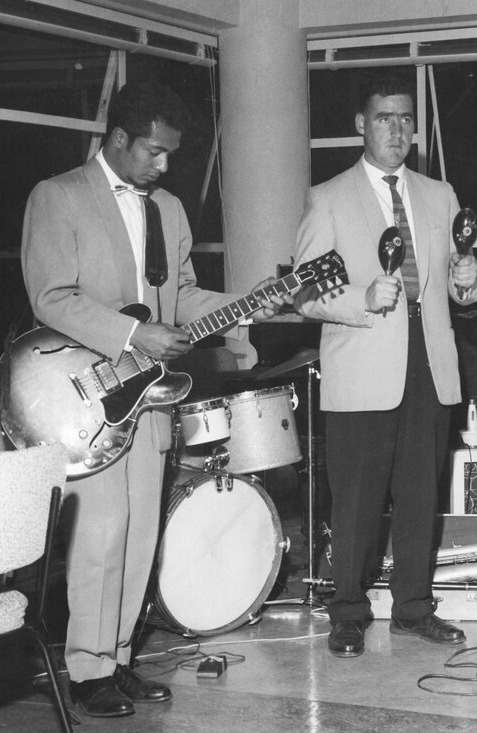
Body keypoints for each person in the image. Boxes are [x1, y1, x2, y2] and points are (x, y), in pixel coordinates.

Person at [20, 81, 289, 717]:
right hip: (86, 396)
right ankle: (86, 671)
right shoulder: (58, 197)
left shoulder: (167, 210)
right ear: (117, 139)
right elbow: (50, 298)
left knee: (142, 533)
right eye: (155, 152)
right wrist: (136, 332)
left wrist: (246, 303)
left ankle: (116, 659)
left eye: (170, 154)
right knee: (102, 534)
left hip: (152, 399)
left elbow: (184, 298)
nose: (165, 165)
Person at [293, 77, 477, 658]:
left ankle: (413, 608)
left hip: (430, 364)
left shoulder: (439, 193)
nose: (397, 130)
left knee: (420, 493)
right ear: (360, 124)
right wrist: (359, 299)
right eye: (384, 119)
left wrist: (468, 279)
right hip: (362, 368)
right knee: (355, 498)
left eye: (405, 119)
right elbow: (303, 294)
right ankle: (348, 612)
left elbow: (465, 285)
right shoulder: (327, 197)